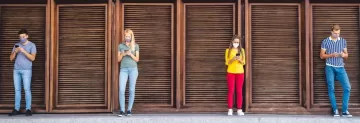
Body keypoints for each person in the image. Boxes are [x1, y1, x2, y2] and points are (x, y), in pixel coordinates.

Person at [320, 24, 352, 117]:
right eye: (335, 33)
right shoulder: (325, 41)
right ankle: (335, 110)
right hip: (329, 67)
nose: (337, 35)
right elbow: (322, 56)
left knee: (347, 87)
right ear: (331, 32)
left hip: (341, 68)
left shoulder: (343, 41)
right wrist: (331, 55)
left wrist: (343, 55)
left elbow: (346, 55)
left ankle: (345, 111)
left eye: (338, 33)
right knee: (331, 88)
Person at [8, 29, 37, 116]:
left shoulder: (32, 45)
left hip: (27, 70)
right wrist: (15, 52)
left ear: (27, 36)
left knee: (27, 89)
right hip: (16, 70)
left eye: (23, 36)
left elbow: (33, 58)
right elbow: (11, 58)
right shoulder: (16, 45)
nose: (22, 38)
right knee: (17, 90)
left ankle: (28, 109)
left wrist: (24, 51)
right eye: (20, 37)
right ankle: (16, 109)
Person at [118, 29, 140, 117]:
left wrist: (130, 54)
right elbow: (118, 60)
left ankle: (129, 110)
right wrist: (123, 54)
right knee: (122, 89)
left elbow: (137, 59)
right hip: (123, 69)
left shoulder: (136, 46)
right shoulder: (120, 46)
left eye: (129, 36)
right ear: (124, 36)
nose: (127, 38)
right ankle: (122, 110)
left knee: (131, 90)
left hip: (133, 69)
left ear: (131, 36)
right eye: (126, 36)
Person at [225, 35, 245, 116]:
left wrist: (240, 60)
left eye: (237, 42)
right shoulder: (228, 51)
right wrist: (233, 59)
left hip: (240, 72)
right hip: (231, 72)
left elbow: (244, 62)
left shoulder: (242, 50)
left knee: (239, 91)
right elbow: (227, 62)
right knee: (231, 90)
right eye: (235, 42)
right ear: (232, 42)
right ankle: (230, 109)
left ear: (239, 43)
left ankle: (239, 109)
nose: (236, 43)